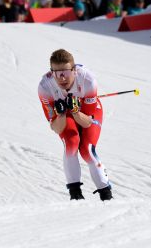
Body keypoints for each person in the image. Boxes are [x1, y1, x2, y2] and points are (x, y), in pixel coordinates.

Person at [38, 49, 113, 201]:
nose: (62, 78)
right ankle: (75, 195)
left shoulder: (88, 80)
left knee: (87, 150)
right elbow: (56, 128)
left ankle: (106, 195)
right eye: (57, 73)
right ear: (51, 72)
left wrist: (76, 111)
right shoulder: (45, 87)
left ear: (74, 71)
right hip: (65, 114)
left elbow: (87, 123)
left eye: (65, 72)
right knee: (71, 143)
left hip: (85, 111)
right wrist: (60, 114)